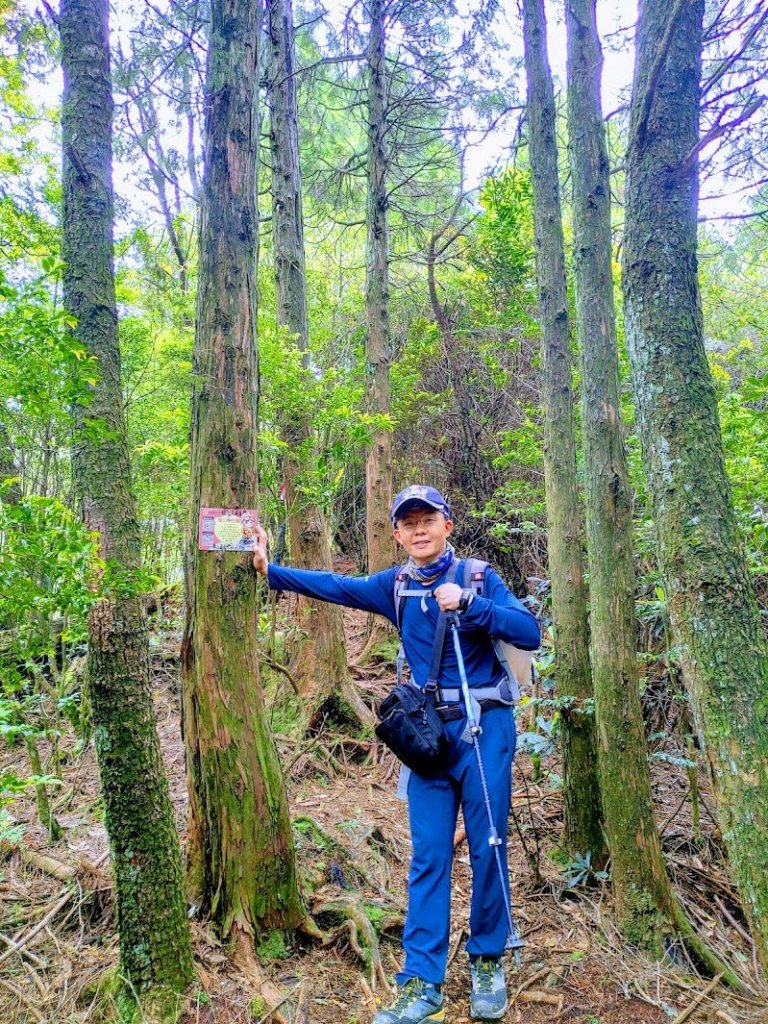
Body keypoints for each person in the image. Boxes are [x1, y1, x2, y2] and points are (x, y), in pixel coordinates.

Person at [252, 485, 540, 1023]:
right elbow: (338, 587)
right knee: (428, 855)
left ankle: (487, 961)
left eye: (427, 519)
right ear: (396, 534)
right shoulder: (397, 586)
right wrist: (271, 571)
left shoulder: (479, 576)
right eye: (408, 523)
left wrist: (474, 608)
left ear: (447, 524)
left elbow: (530, 631)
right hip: (425, 738)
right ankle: (421, 982)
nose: (419, 529)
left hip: (486, 730)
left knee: (488, 845)